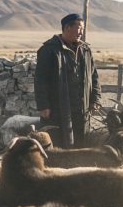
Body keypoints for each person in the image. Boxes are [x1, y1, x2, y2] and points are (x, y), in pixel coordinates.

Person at [34, 13, 101, 147]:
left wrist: (95, 99)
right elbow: (40, 80)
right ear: (67, 28)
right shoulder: (49, 50)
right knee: (58, 143)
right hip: (57, 107)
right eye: (79, 28)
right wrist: (43, 105)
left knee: (81, 143)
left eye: (82, 29)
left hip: (81, 108)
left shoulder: (85, 50)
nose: (81, 32)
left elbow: (94, 76)